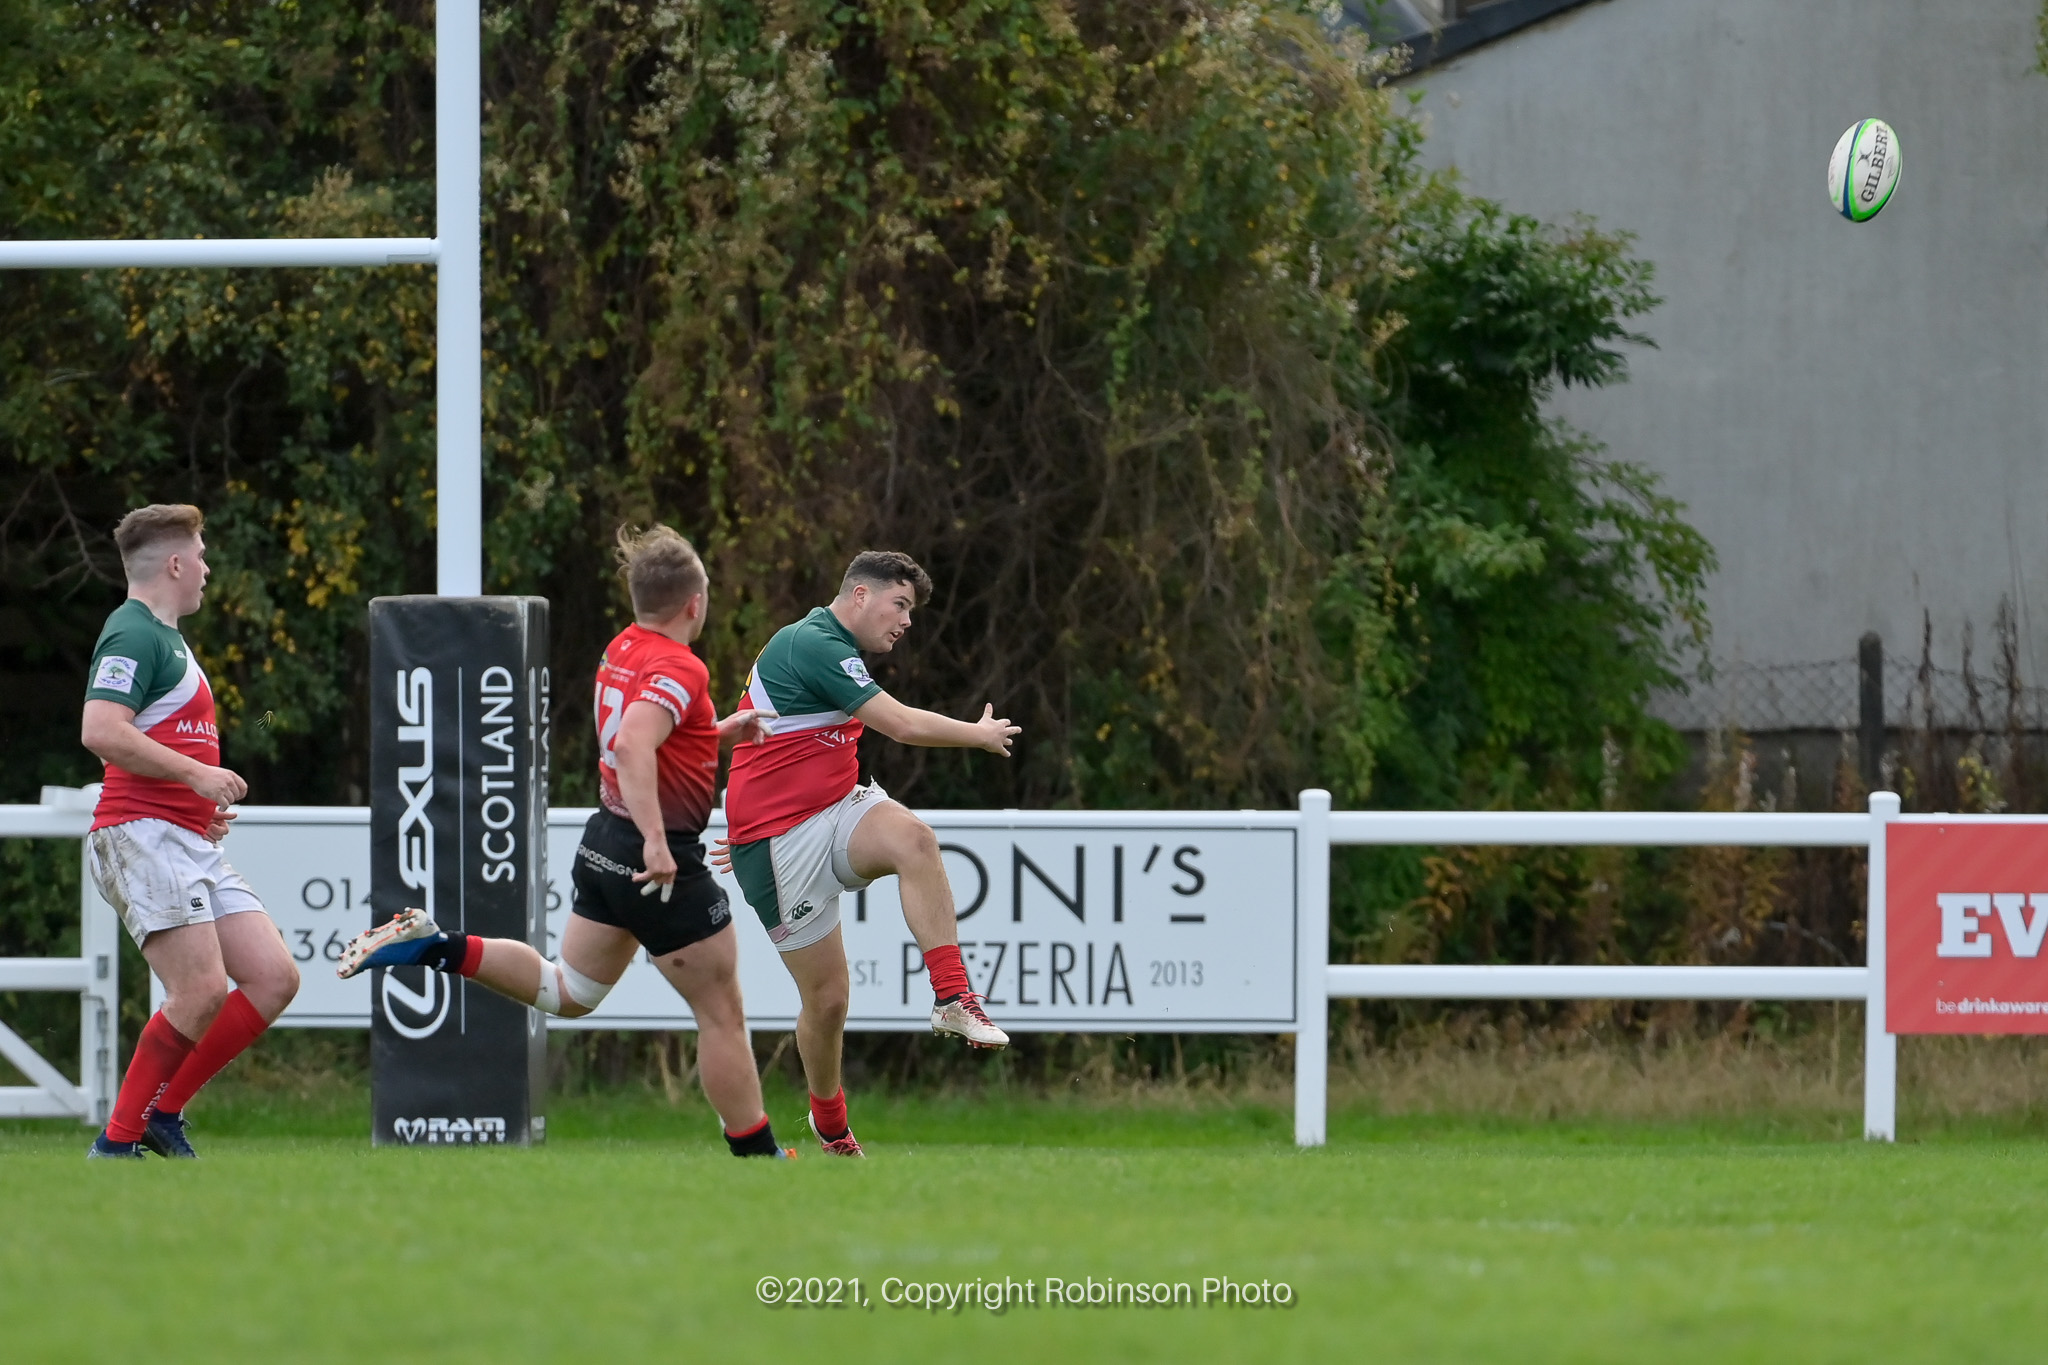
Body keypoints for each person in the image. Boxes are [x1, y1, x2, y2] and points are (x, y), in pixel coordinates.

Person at [337, 526, 791, 1157]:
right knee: (721, 1012)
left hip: (604, 841)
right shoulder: (681, 664)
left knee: (567, 992)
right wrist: (656, 843)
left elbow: (650, 738)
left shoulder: (622, 648)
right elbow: (633, 744)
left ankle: (435, 946)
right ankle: (758, 1155)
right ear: (695, 602)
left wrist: (712, 733)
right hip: (653, 857)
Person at [715, 550, 1020, 1157]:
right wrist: (978, 734)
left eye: (910, 610)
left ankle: (953, 997)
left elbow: (779, 744)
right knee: (827, 1002)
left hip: (834, 812)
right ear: (860, 595)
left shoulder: (831, 647)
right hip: (779, 847)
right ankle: (830, 1123)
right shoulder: (813, 643)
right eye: (899, 604)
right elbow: (901, 725)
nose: (906, 621)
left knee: (914, 838)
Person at [81, 504, 301, 1159]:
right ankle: (115, 1145)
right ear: (175, 564)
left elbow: (148, 738)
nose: (207, 569)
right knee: (200, 991)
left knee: (273, 977)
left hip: (182, 834)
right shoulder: (133, 632)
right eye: (201, 556)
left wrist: (193, 803)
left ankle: (162, 1111)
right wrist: (196, 776)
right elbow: (101, 730)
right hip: (138, 833)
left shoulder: (167, 639)